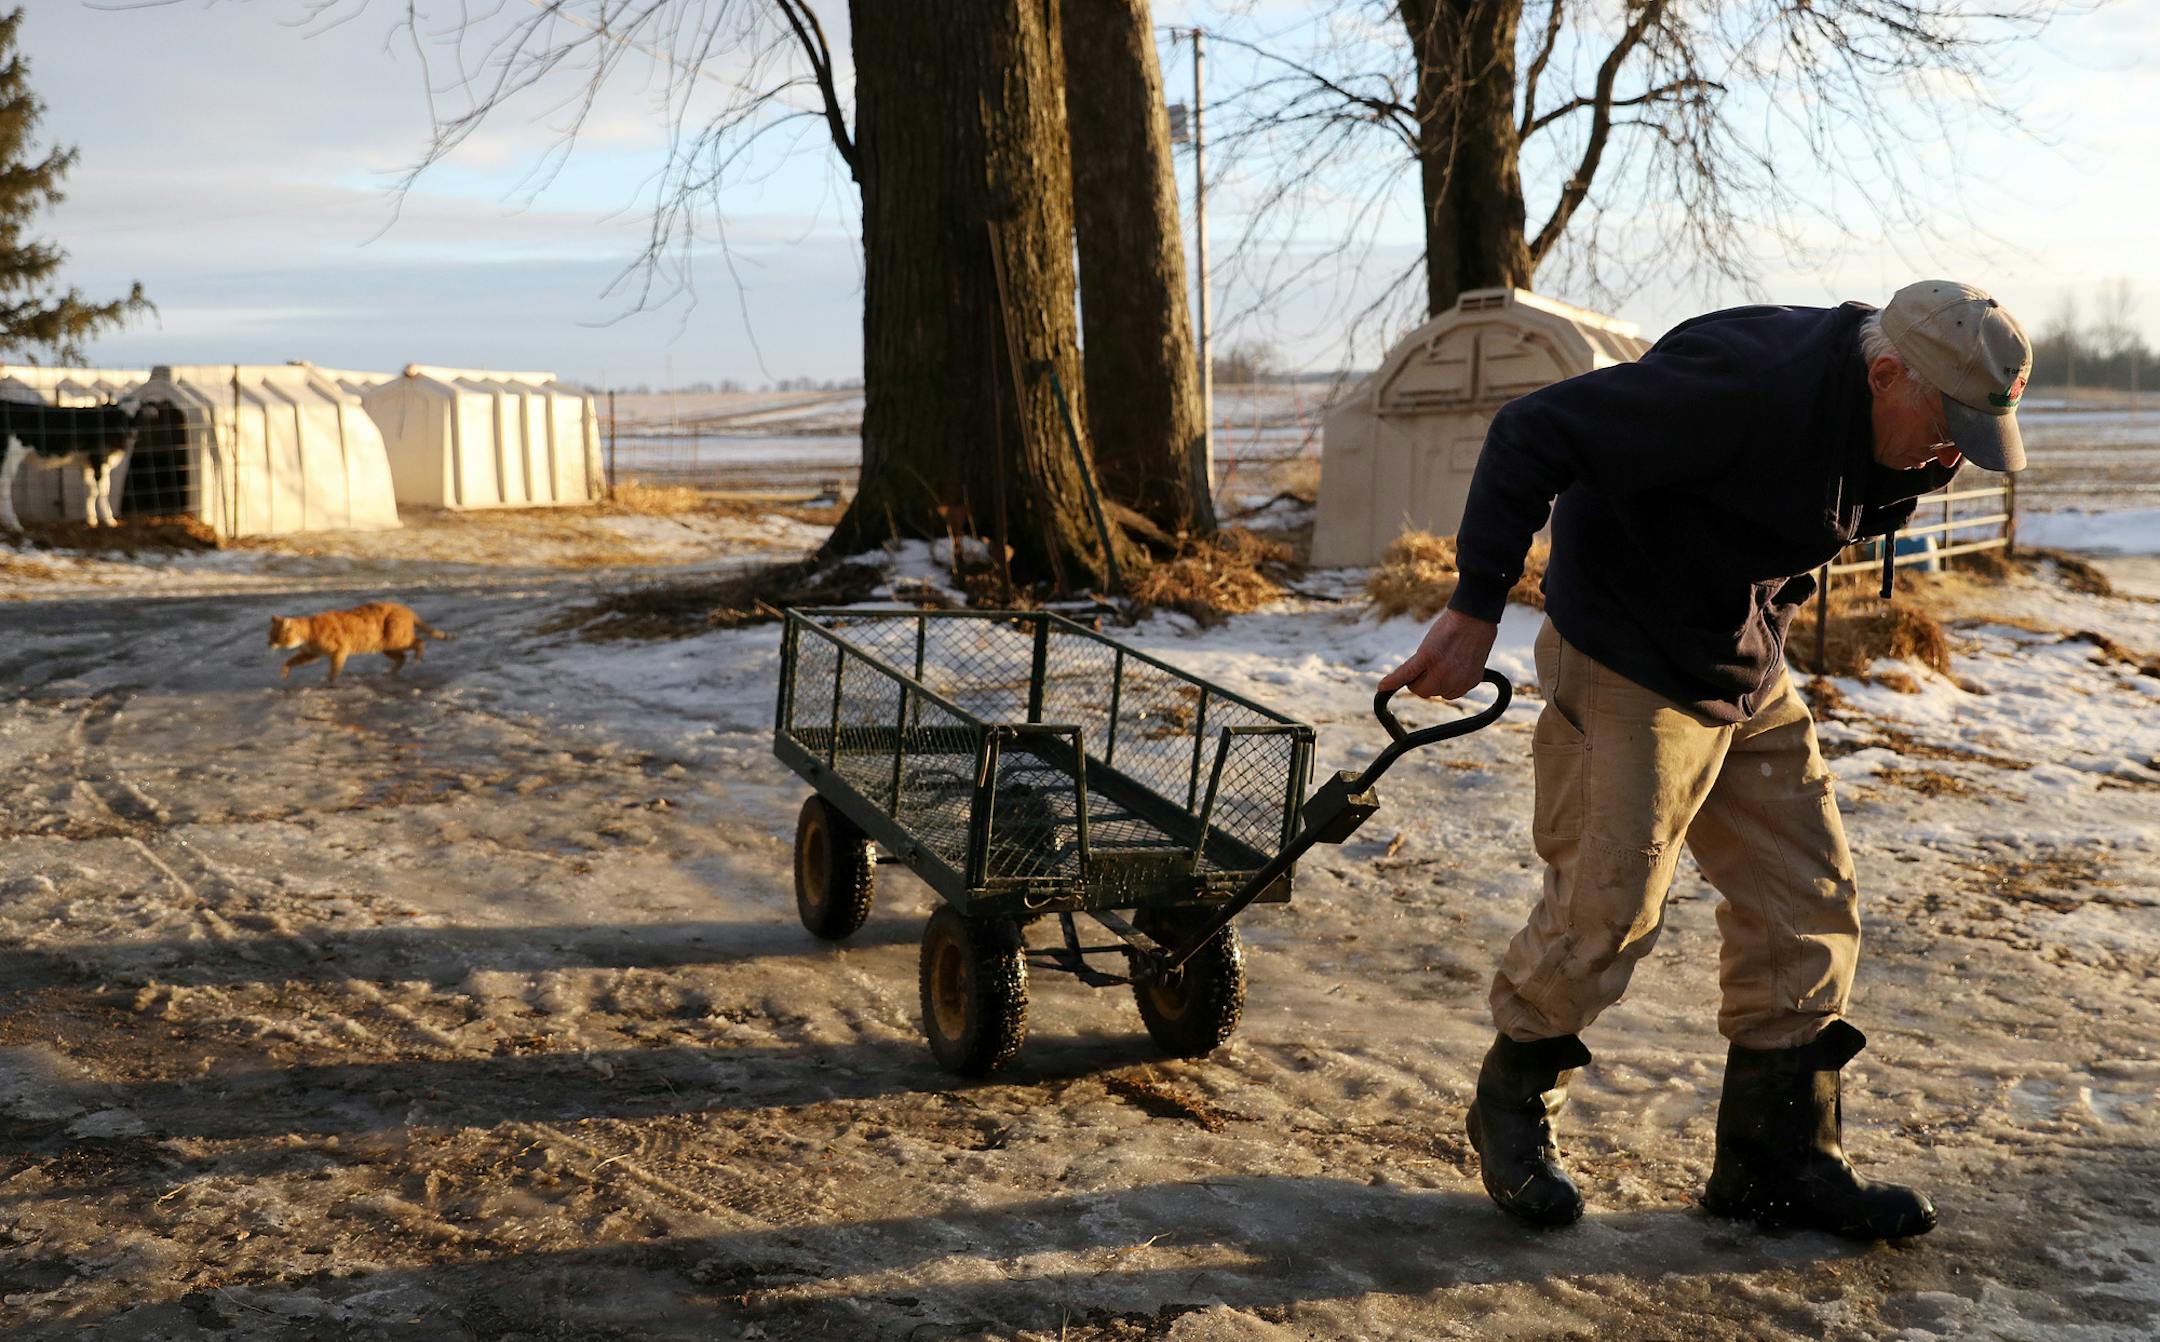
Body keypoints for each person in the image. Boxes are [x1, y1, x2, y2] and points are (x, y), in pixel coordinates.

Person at [1379, 281, 2031, 1239]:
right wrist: (1476, 606)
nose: (1950, 459)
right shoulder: (1741, 390)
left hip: (1741, 650)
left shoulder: (1893, 413)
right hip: (1627, 647)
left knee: (1805, 897)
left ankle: (1776, 1162)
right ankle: (1513, 1102)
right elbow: (1530, 433)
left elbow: (1814, 502)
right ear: (1887, 373)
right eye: (1947, 429)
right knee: (1611, 900)